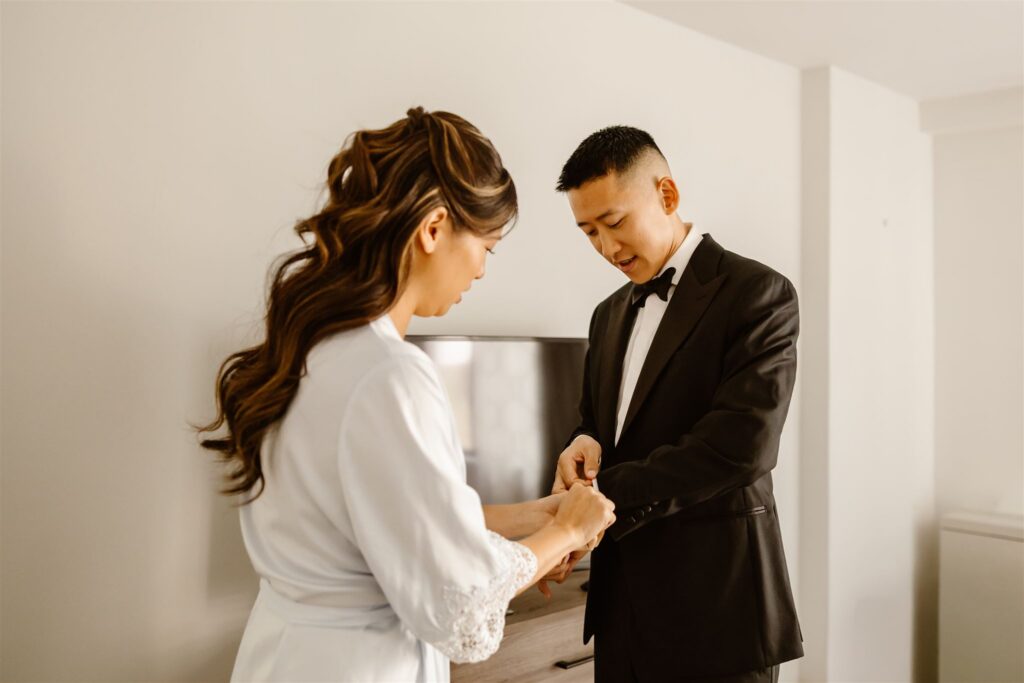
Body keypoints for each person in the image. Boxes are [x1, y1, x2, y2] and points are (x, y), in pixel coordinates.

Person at [196, 107, 615, 683]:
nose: (483, 272)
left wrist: (531, 518)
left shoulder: (305, 349)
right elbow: (459, 604)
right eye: (487, 247)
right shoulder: (389, 376)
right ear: (435, 227)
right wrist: (564, 532)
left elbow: (390, 519)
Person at [549, 126, 803, 682]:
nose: (606, 249)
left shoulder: (759, 293)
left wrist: (598, 496)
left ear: (667, 195)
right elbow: (599, 419)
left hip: (720, 613)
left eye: (614, 223)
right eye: (588, 232)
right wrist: (582, 442)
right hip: (622, 612)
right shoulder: (607, 313)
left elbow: (741, 449)